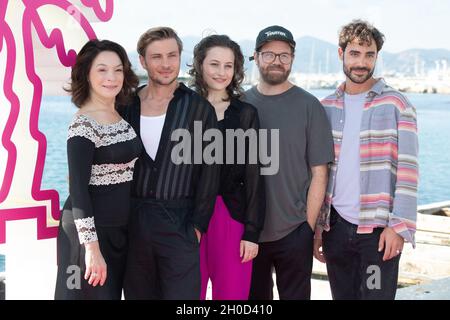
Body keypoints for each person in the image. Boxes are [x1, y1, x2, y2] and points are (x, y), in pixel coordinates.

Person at [314, 20, 419, 300]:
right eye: (355, 54)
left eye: (369, 55)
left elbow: (408, 171)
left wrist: (399, 227)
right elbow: (319, 172)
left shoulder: (397, 105)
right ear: (341, 54)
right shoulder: (325, 108)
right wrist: (317, 229)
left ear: (376, 56)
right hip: (335, 228)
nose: (362, 62)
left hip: (378, 233)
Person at [120, 27, 220, 300]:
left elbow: (210, 174)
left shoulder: (199, 108)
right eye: (157, 57)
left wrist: (197, 227)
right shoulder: (125, 105)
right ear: (142, 61)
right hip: (133, 223)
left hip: (180, 223)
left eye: (172, 55)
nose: (165, 64)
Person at [244, 25, 334, 300]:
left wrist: (307, 227)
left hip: (294, 231)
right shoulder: (240, 104)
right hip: (248, 233)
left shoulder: (309, 106)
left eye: (284, 55)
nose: (277, 61)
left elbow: (319, 173)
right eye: (269, 54)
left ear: (292, 59)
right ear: (256, 57)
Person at [55, 39, 141, 300]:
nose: (111, 77)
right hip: (88, 234)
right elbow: (78, 189)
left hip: (118, 230)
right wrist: (91, 248)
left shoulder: (119, 113)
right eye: (102, 70)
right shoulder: (83, 124)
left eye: (118, 69)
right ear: (86, 74)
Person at [189, 34, 265, 300]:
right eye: (214, 64)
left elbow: (255, 176)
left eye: (228, 65)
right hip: (187, 218)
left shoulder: (246, 115)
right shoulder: (183, 110)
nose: (222, 72)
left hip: (231, 218)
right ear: (200, 65)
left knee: (232, 297)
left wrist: (252, 233)